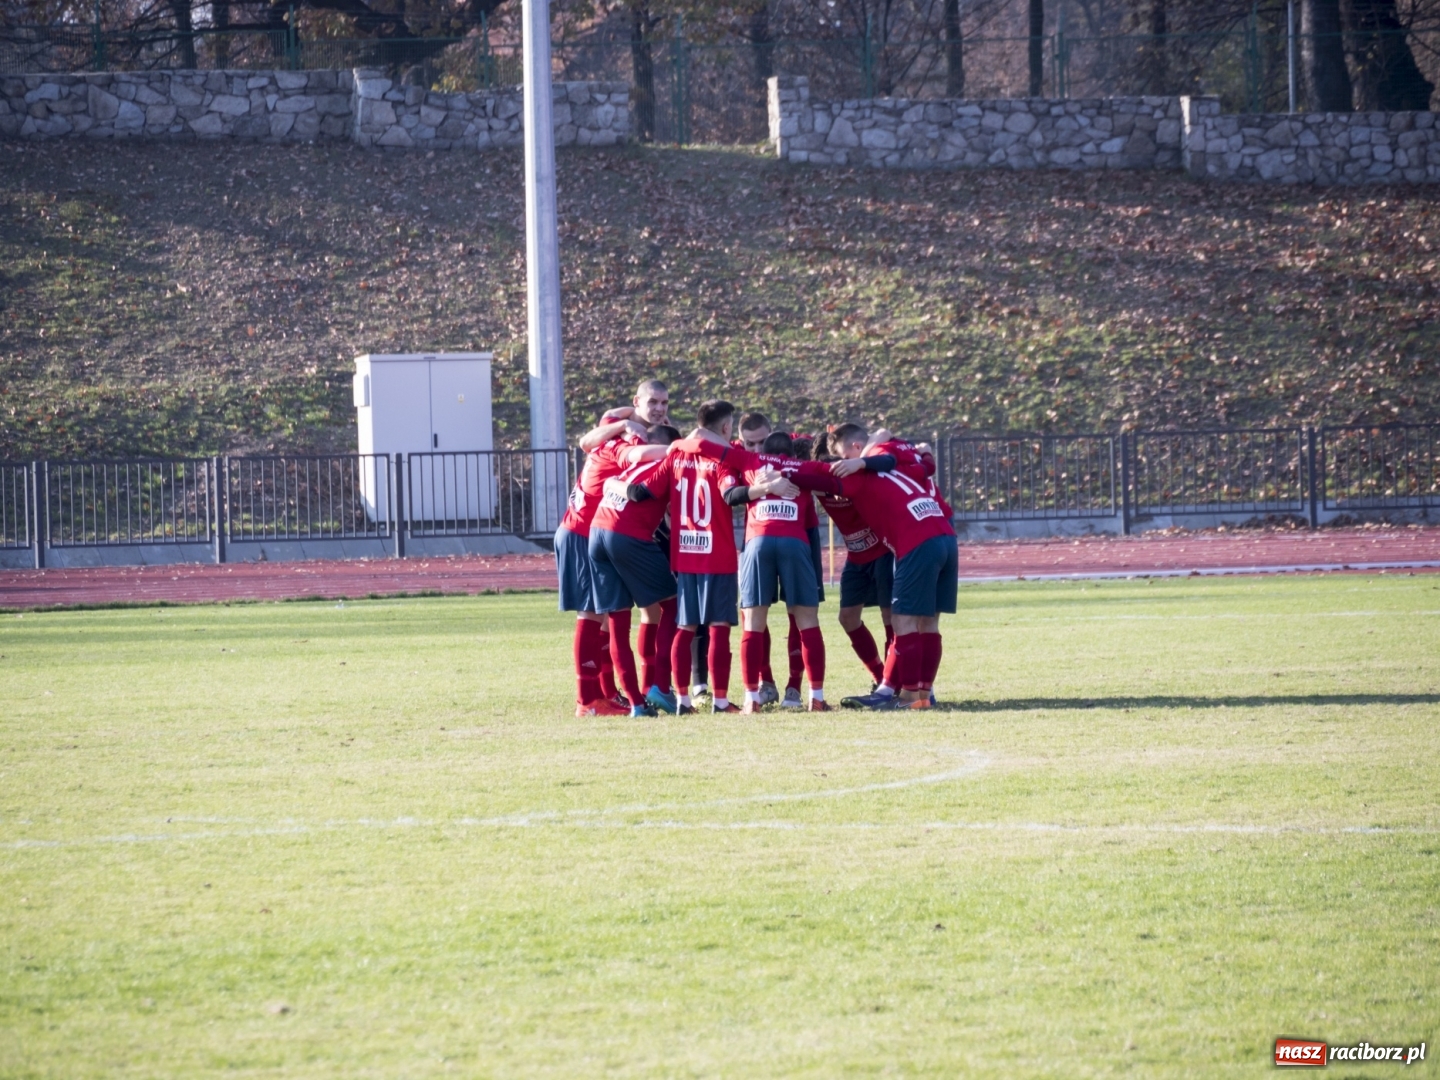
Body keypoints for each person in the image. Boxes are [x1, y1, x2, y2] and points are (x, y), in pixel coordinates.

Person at [625, 401, 792, 714]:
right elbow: (731, 495)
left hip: (685, 553)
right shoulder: (721, 458)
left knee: (685, 627)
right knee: (718, 627)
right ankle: (720, 701)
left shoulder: (676, 453)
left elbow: (640, 492)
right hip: (716, 554)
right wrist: (764, 489)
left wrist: (615, 486)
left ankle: (682, 700)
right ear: (727, 427)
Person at [792, 423, 958, 709]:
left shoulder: (858, 475)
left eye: (843, 459)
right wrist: (925, 453)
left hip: (909, 543)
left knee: (901, 621)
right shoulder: (898, 459)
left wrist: (776, 472)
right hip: (940, 534)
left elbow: (824, 474)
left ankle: (905, 694)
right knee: (925, 621)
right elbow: (919, 464)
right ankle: (917, 693)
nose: (841, 464)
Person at [555, 420, 666, 717]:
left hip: (588, 532)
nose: (660, 410)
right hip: (581, 532)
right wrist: (677, 449)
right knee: (591, 614)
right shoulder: (620, 445)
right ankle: (586, 700)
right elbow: (636, 454)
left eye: (664, 403)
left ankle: (602, 694)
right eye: (654, 403)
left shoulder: (608, 436)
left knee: (603, 616)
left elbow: (592, 434)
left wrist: (628, 418)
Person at [722, 430, 832, 713]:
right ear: (793, 453)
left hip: (757, 542)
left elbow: (714, 452)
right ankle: (816, 697)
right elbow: (832, 475)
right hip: (795, 542)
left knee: (753, 622)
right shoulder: (802, 469)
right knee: (807, 620)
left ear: (763, 450)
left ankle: (751, 699)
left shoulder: (751, 463)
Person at [588, 424, 684, 717]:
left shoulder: (633, 464)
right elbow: (641, 495)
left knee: (618, 619)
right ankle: (659, 687)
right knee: (673, 606)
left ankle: (636, 704)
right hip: (627, 535)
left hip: (597, 531)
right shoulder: (669, 462)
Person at [812, 433, 893, 692]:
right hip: (856, 557)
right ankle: (880, 676)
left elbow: (882, 436)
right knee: (847, 618)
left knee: (891, 618)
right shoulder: (816, 482)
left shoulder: (858, 475)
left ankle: (893, 682)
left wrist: (860, 460)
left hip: (883, 553)